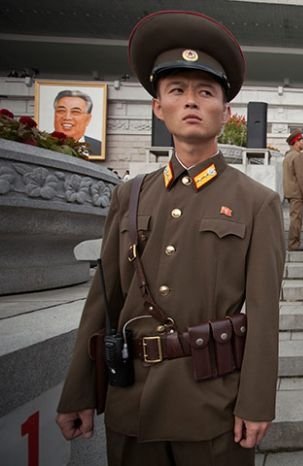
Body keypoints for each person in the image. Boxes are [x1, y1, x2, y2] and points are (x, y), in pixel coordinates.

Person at [55, 10, 284, 466]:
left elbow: (263, 313)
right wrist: (79, 390)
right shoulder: (129, 195)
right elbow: (103, 301)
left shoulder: (256, 201)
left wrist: (256, 402)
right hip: (131, 403)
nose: (191, 102)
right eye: (176, 91)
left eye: (205, 92)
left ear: (226, 109)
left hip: (211, 404)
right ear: (158, 108)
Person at [283, 128, 303, 250]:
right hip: (296, 193)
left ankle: (293, 243)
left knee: (295, 218)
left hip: (290, 191)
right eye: (302, 141)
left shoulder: (288, 155)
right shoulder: (297, 156)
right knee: (296, 219)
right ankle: (293, 244)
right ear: (296, 141)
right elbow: (301, 177)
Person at [53, 89, 102, 155]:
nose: (67, 117)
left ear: (88, 119)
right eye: (61, 111)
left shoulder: (99, 147)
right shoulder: (42, 144)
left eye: (75, 112)